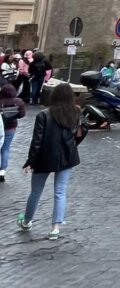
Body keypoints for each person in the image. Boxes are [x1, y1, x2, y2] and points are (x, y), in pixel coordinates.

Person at [17, 83, 86, 240]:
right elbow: (79, 132)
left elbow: (37, 141)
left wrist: (30, 161)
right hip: (67, 156)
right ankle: (55, 228)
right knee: (60, 192)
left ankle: (27, 221)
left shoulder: (44, 115)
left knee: (35, 192)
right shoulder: (75, 111)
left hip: (44, 157)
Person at [0, 82, 27, 182]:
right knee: (5, 148)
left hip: (0, 127)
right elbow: (22, 114)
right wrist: (13, 117)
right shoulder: (18, 101)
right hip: (10, 127)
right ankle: (2, 170)